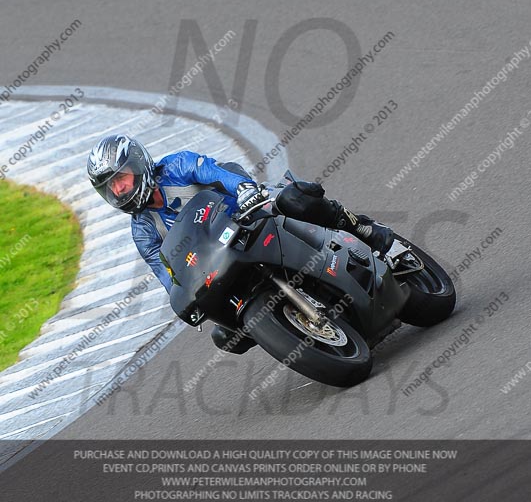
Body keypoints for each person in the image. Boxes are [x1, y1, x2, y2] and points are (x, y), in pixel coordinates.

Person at [87, 134, 396, 352]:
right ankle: (286, 331)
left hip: (248, 214)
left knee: (297, 201)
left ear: (138, 164)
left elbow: (215, 172)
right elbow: (169, 276)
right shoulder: (142, 230)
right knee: (226, 336)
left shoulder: (176, 167)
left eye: (120, 179)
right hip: (219, 259)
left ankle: (360, 227)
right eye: (109, 188)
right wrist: (184, 300)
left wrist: (246, 189)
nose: (119, 191)